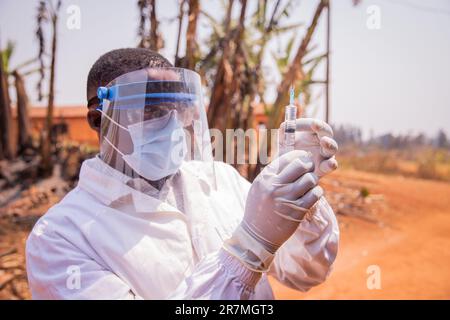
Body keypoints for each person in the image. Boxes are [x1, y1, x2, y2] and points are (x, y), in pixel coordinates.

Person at [25, 48, 339, 300]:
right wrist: (248, 250)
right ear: (98, 119)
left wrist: (300, 192)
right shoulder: (60, 238)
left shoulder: (219, 182)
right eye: (152, 110)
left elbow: (306, 272)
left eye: (179, 109)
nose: (173, 124)